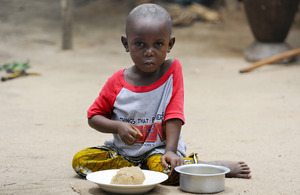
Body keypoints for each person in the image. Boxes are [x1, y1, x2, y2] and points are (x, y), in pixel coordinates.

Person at [72, 3, 251, 184]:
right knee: (81, 161)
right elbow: (93, 116)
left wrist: (171, 151)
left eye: (158, 44)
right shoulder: (116, 82)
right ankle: (144, 171)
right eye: (140, 44)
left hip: (160, 151)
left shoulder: (171, 71)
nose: (149, 52)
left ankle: (207, 166)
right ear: (126, 44)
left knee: (173, 171)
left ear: (170, 44)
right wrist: (117, 127)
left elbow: (174, 114)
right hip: (123, 154)